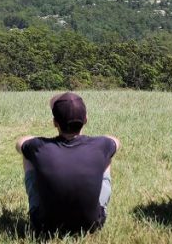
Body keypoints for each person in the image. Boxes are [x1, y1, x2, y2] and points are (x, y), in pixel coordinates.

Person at [16, 92, 120, 235]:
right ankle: (98, 208)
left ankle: (37, 208)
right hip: (92, 225)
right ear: (86, 119)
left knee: (27, 155)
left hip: (43, 226)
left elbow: (20, 143)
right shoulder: (101, 145)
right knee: (107, 155)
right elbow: (115, 141)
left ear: (55, 123)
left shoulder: (38, 147)